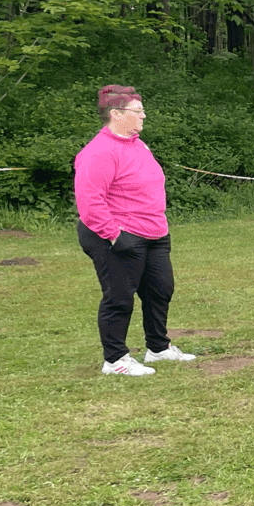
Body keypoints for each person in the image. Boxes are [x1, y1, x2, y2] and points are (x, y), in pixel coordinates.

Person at [75, 85, 196, 376]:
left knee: (160, 290)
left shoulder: (138, 143)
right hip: (116, 236)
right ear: (116, 114)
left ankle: (158, 348)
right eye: (137, 110)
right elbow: (90, 200)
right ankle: (115, 360)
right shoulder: (99, 151)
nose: (144, 115)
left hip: (153, 233)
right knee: (119, 297)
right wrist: (115, 235)